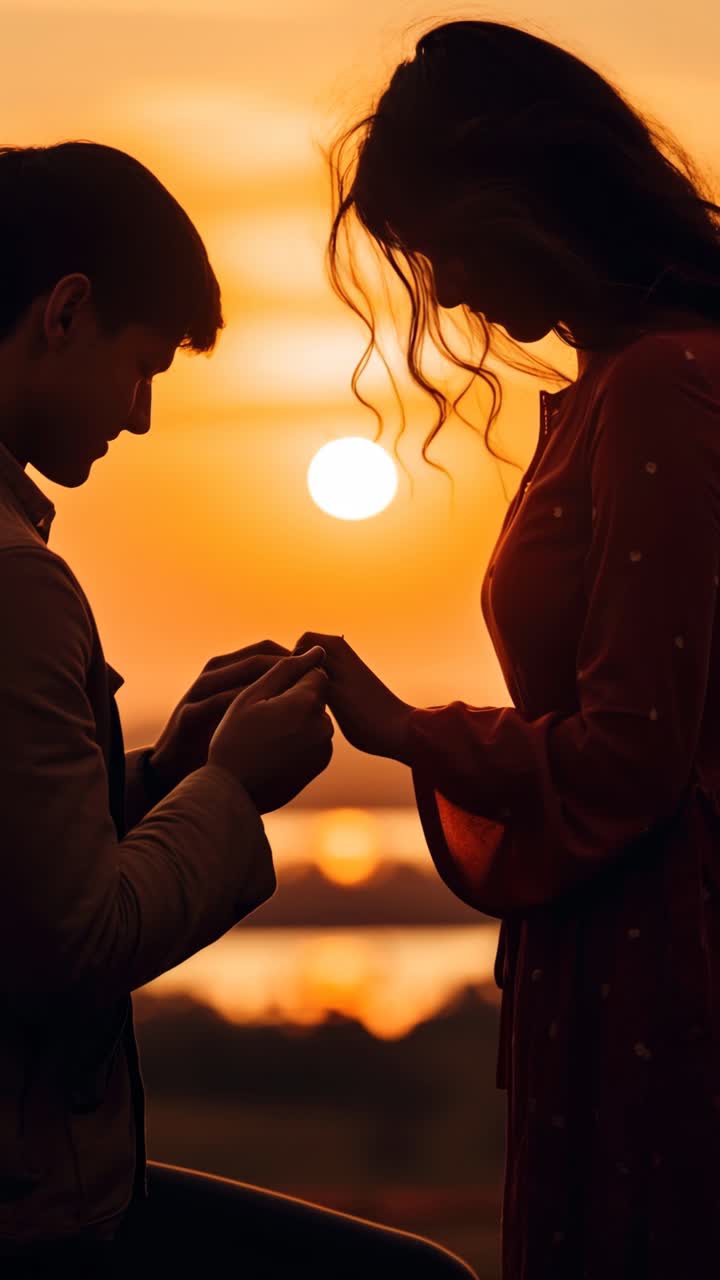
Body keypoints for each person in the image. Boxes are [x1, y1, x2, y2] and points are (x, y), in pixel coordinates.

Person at [0, 142, 478, 1278]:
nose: (146, 415)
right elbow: (73, 944)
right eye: (144, 364)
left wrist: (169, 770)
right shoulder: (16, 580)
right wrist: (232, 786)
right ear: (66, 312)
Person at [294, 18, 720, 1280]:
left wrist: (405, 727)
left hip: (662, 962)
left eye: (448, 249)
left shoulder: (662, 388)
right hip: (624, 946)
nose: (456, 294)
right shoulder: (622, 385)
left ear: (526, 197)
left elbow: (635, 753)